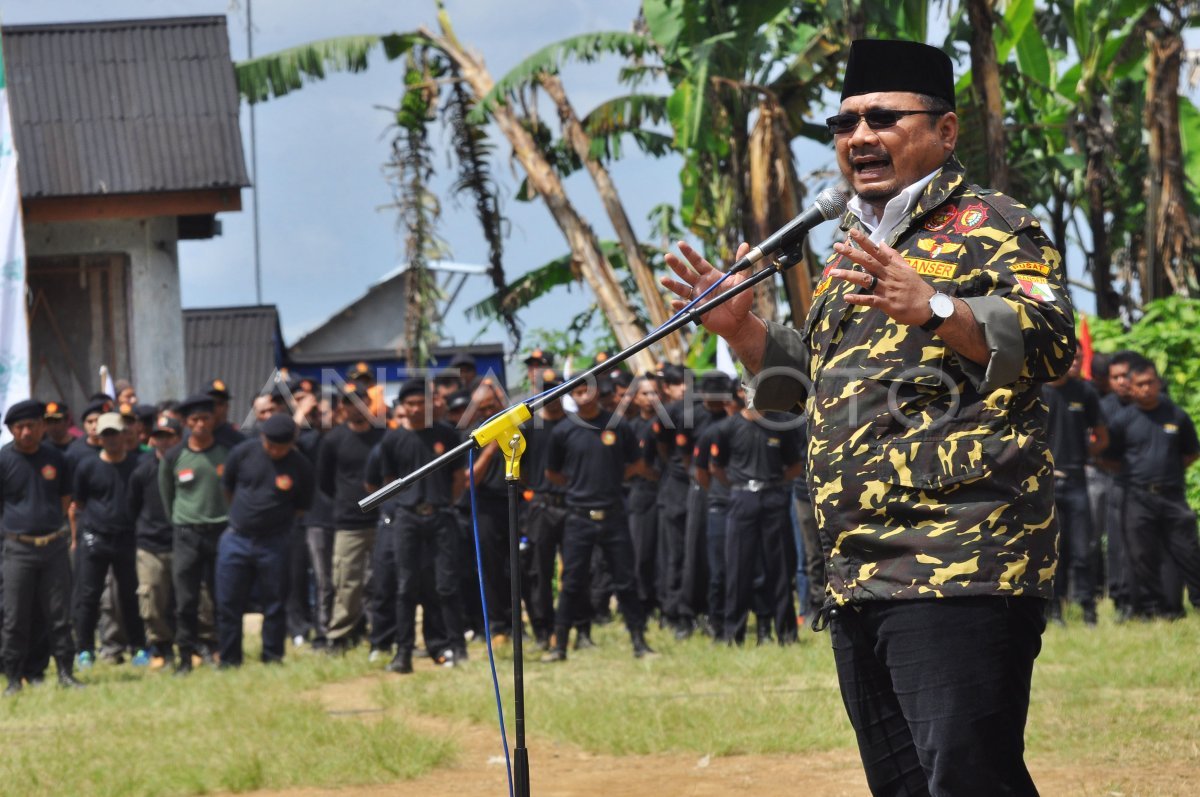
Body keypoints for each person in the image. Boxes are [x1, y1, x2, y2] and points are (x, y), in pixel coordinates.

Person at [662, 39, 1074, 794]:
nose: (859, 138)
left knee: (969, 780)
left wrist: (937, 307)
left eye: (884, 118)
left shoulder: (993, 224)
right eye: (844, 123)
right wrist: (743, 331)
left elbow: (1050, 342)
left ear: (946, 132)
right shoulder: (851, 247)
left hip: (955, 564)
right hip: (856, 573)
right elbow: (810, 385)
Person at [540, 380, 655, 662]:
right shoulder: (563, 431)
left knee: (625, 580)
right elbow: (552, 473)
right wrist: (580, 485)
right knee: (572, 582)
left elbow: (637, 464)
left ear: (596, 391)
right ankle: (560, 646)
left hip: (613, 513)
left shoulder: (617, 425)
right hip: (578, 517)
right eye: (576, 392)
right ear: (571, 396)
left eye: (586, 390)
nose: (582, 396)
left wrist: (612, 481)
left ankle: (639, 642)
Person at [371, 378, 466, 673]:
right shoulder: (392, 439)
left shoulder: (447, 435)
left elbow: (459, 478)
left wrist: (444, 504)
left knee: (445, 584)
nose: (414, 409)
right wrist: (404, 507)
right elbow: (386, 483)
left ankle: (451, 646)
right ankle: (403, 653)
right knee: (405, 586)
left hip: (440, 516)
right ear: (402, 406)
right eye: (408, 404)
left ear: (431, 403)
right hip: (406, 518)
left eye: (419, 403)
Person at [1104, 359, 1200, 619]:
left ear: (1158, 383)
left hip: (1172, 495)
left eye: (1150, 382)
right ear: (1132, 389)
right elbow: (1109, 457)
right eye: (1140, 384)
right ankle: (1152, 608)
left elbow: (1191, 452)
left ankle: (1195, 600)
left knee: (1188, 549)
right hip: (1137, 496)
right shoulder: (1123, 420)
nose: (1146, 388)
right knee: (1141, 554)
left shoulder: (1176, 414)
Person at [217, 414, 314, 666]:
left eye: (280, 448)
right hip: (236, 538)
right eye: (269, 445)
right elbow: (227, 488)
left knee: (274, 602)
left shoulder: (300, 465)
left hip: (275, 542)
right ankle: (229, 659)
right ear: (262, 437)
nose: (274, 451)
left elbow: (302, 505)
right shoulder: (243, 453)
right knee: (229, 602)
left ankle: (272, 657)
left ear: (291, 443)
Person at [0, 400, 82, 693]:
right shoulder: (4, 460)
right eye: (19, 427)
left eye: (32, 426)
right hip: (17, 549)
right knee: (14, 617)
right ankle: (12, 678)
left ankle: (65, 673)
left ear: (42, 426)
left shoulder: (56, 458)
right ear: (10, 430)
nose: (26, 432)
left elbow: (65, 499)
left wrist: (49, 525)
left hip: (53, 546)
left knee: (59, 615)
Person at [710, 397, 803, 645]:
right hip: (742, 499)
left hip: (773, 496)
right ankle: (734, 634)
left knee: (780, 567)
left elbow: (795, 464)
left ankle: (787, 634)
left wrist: (776, 483)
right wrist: (737, 486)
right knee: (738, 568)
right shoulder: (727, 427)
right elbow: (715, 467)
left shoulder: (780, 425)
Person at [159, 394, 232, 674]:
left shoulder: (226, 452)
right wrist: (180, 522)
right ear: (187, 424)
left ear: (213, 421)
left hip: (220, 531)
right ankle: (185, 658)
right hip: (186, 534)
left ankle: (224, 652)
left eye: (205, 419)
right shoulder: (175, 456)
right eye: (194, 420)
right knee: (186, 599)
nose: (200, 425)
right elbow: (167, 495)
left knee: (221, 596)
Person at [71, 412, 149, 668]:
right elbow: (77, 505)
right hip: (95, 537)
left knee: (130, 594)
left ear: (125, 434)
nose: (112, 439)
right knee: (89, 595)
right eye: (106, 434)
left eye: (115, 433)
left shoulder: (137, 464)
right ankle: (85, 649)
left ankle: (138, 647)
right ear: (98, 437)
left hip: (127, 538)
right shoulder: (88, 466)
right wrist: (76, 539)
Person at [1042, 348, 1108, 624]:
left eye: (1079, 358)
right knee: (1055, 550)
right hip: (1046, 483)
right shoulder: (1037, 391)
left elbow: (1102, 435)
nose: (1075, 363)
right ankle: (1055, 609)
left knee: (1084, 549)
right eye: (1070, 358)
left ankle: (1088, 609)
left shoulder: (1085, 392)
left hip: (1078, 480)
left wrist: (1086, 455)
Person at [317, 383, 384, 653]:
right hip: (348, 521)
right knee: (346, 581)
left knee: (381, 581)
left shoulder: (382, 435)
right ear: (341, 407)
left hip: (382, 519)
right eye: (348, 402)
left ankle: (381, 634)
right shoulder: (333, 440)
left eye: (360, 401)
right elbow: (324, 482)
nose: (354, 407)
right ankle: (340, 635)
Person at [128, 414, 182, 669]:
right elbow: (132, 506)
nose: (163, 442)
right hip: (150, 543)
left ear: (178, 439)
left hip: (182, 541)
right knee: (151, 599)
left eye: (168, 437)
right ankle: (161, 647)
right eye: (158, 437)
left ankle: (193, 644)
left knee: (191, 598)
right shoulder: (142, 469)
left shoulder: (186, 464)